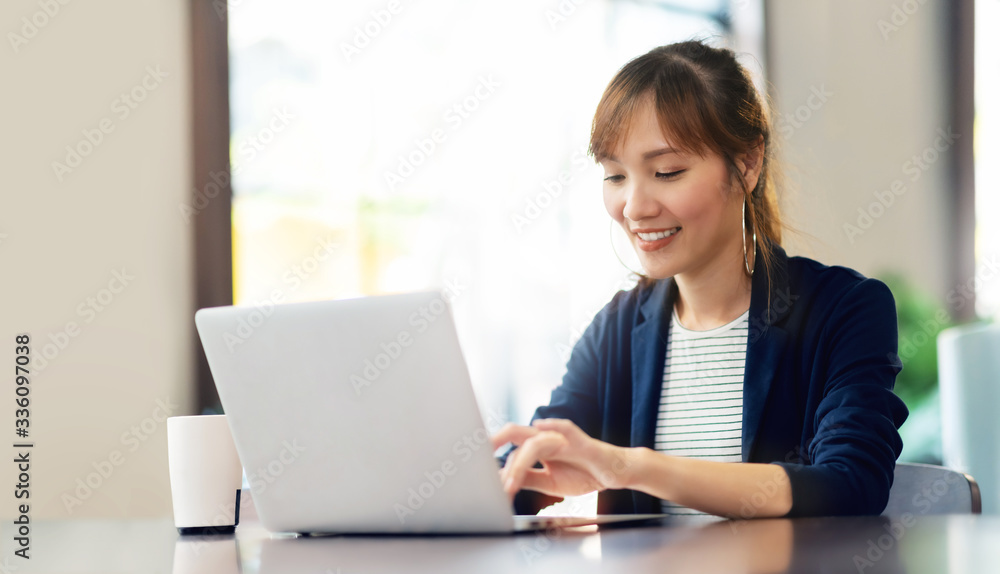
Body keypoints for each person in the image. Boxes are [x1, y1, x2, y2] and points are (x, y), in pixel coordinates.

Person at [491, 40, 909, 518]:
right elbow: (527, 467)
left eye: (667, 172)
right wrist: (494, 482)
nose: (634, 207)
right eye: (615, 176)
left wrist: (631, 467)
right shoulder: (617, 330)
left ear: (748, 164)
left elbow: (850, 483)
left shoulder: (844, 309)